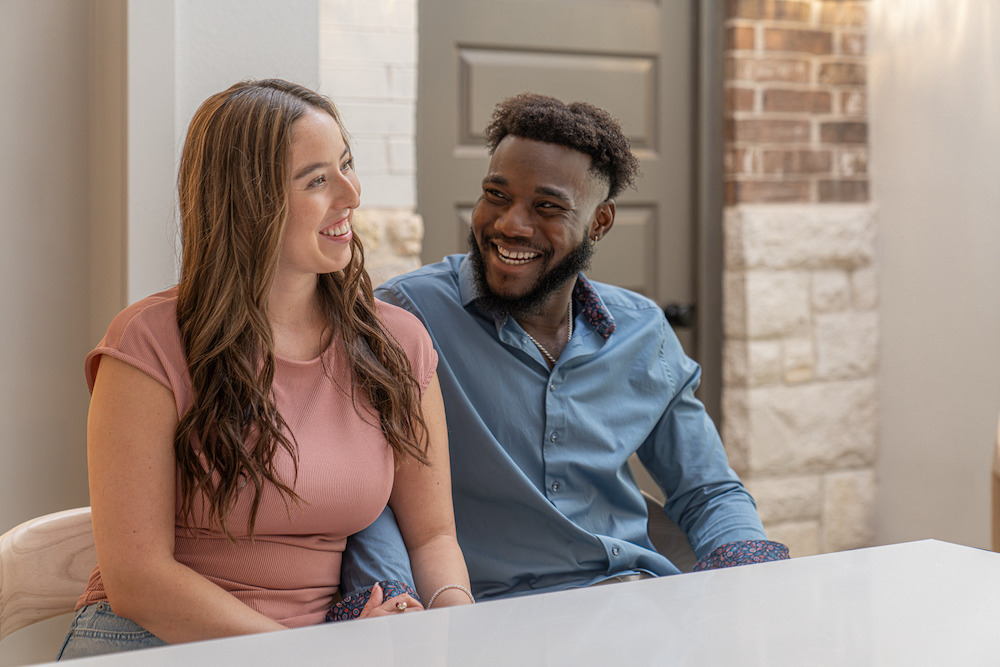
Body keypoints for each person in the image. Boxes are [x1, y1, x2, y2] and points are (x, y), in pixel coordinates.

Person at [58, 79, 471, 660]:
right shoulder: (149, 344)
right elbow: (138, 581)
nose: (351, 194)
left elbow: (434, 537)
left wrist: (458, 632)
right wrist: (317, 656)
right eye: (317, 180)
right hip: (152, 641)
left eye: (347, 165)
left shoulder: (397, 344)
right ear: (249, 202)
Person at [342, 93, 787, 602]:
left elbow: (706, 491)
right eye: (497, 194)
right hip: (484, 616)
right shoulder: (407, 317)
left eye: (547, 207)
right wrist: (394, 602)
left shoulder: (644, 332)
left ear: (600, 222)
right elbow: (365, 493)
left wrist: (758, 583)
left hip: (633, 600)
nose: (511, 223)